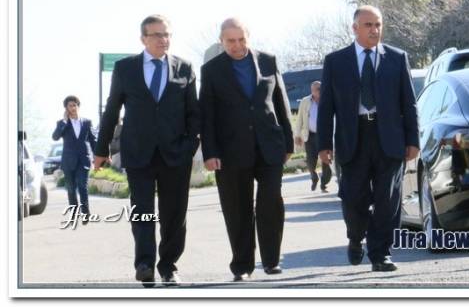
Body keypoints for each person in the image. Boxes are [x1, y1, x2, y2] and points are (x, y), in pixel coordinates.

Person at [93, 15, 200, 287]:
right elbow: (112, 109)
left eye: (167, 34)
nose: (164, 39)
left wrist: (191, 145)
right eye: (157, 35)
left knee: (174, 214)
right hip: (138, 152)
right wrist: (101, 148)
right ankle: (144, 264)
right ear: (143, 39)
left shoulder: (185, 68)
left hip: (176, 153)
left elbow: (194, 112)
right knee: (142, 211)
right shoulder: (125, 68)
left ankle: (168, 266)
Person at [317, 5, 419, 272]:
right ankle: (355, 236)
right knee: (354, 198)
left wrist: (413, 140)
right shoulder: (336, 61)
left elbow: (408, 103)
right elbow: (326, 107)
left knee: (388, 199)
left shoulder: (396, 58)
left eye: (378, 24)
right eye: (368, 25)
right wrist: (324, 144)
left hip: (389, 138)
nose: (374, 30)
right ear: (355, 28)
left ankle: (380, 253)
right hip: (353, 139)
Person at [199, 17, 294, 282]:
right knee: (237, 209)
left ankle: (271, 261)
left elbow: (281, 102)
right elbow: (207, 114)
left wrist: (288, 141)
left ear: (248, 37)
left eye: (242, 39)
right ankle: (242, 265)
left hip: (269, 145)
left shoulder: (268, 61)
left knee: (270, 202)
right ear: (221, 41)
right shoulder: (211, 70)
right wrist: (210, 152)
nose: (237, 45)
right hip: (230, 151)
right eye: (231, 41)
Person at [52, 95, 97, 224]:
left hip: (83, 160)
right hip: (68, 161)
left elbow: (93, 140)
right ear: (66, 109)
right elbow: (55, 137)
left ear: (78, 106)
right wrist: (64, 121)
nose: (73, 108)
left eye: (75, 105)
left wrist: (98, 156)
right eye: (70, 106)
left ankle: (86, 214)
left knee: (82, 186)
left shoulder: (87, 122)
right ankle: (74, 214)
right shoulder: (62, 123)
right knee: (71, 189)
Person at [294, 81, 332, 192]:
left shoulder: (327, 99)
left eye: (321, 88)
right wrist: (297, 135)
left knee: (326, 161)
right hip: (310, 136)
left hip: (324, 136)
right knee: (311, 161)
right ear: (312, 91)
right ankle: (314, 177)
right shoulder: (305, 101)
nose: (320, 90)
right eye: (318, 89)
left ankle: (324, 184)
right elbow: (299, 119)